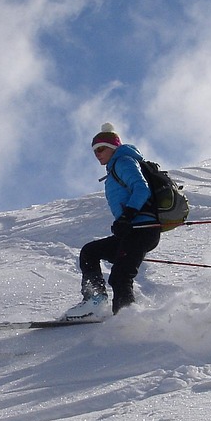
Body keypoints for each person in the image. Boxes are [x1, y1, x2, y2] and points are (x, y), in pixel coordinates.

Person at [65, 123, 162, 319]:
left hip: (141, 228)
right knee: (90, 252)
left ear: (113, 147)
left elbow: (141, 188)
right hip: (133, 230)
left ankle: (127, 321)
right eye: (94, 150)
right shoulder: (115, 169)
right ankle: (95, 300)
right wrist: (125, 221)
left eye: (101, 148)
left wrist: (127, 216)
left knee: (120, 276)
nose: (97, 154)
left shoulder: (123, 161)